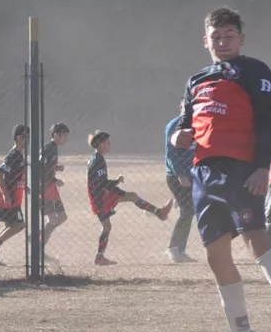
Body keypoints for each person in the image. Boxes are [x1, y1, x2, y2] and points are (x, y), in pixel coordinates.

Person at [171, 7, 271, 332]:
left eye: (229, 35)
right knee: (216, 256)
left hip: (241, 169)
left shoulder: (255, 71)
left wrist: (264, 168)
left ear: (241, 39)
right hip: (204, 174)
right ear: (206, 40)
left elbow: (267, 122)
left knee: (256, 241)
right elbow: (183, 126)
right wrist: (176, 137)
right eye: (216, 36)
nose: (222, 41)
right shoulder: (196, 80)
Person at [86, 131, 172, 266]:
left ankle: (99, 257)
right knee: (133, 196)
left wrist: (113, 184)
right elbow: (101, 183)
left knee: (107, 226)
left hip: (97, 196)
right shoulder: (98, 160)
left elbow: (98, 181)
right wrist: (116, 182)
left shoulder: (94, 158)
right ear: (101, 144)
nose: (109, 145)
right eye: (108, 142)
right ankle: (159, 213)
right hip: (102, 197)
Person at [0, 124, 27, 266]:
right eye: (27, 136)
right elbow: (0, 174)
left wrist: (25, 186)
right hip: (8, 197)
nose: (29, 139)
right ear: (20, 138)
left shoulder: (19, 155)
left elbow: (15, 175)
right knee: (20, 225)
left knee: (10, 225)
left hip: (12, 197)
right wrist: (6, 194)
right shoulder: (14, 155)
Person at [164, 107, 197, 263]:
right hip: (177, 177)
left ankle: (179, 250)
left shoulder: (198, 124)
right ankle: (174, 249)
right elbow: (171, 154)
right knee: (188, 210)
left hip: (194, 176)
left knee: (191, 210)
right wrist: (181, 175)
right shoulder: (175, 125)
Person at [39, 123, 70, 253]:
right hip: (44, 187)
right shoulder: (48, 149)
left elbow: (46, 166)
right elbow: (40, 169)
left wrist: (56, 168)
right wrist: (54, 179)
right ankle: (38, 245)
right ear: (55, 135)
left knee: (62, 217)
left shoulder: (54, 148)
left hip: (50, 187)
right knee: (52, 219)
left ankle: (38, 240)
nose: (66, 139)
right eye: (64, 135)